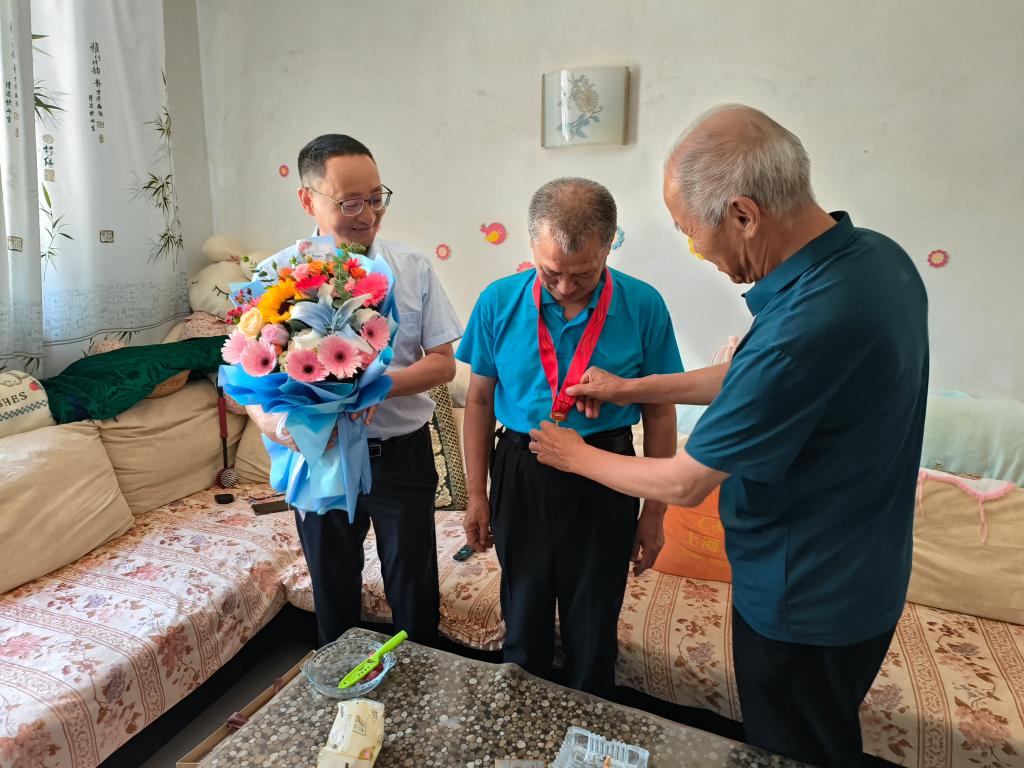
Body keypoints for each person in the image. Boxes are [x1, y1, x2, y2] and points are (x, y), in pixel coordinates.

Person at [529, 105, 929, 767]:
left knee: (789, 752)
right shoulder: (875, 261)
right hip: (865, 575)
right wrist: (634, 388)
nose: (701, 255)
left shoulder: (807, 326)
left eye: (693, 236)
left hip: (805, 597)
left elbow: (685, 481)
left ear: (744, 215)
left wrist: (573, 455)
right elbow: (754, 376)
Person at [456, 177, 682, 697]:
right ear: (531, 245)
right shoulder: (498, 301)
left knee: (594, 621)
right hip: (521, 467)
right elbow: (480, 402)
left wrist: (654, 513)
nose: (563, 287)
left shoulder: (643, 305)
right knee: (523, 612)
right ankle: (524, 719)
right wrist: (476, 494)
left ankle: (587, 724)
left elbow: (660, 413)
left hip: (607, 471)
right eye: (550, 272)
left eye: (582, 275)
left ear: (609, 246)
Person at [248, 134, 463, 647]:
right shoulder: (276, 275)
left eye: (376, 198)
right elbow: (251, 376)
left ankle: (416, 686)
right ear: (308, 200)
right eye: (349, 202)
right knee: (333, 595)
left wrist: (371, 388)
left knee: (414, 597)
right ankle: (341, 688)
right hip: (319, 457)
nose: (367, 215)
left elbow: (442, 364)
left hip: (401, 458)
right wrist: (276, 425)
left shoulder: (412, 268)